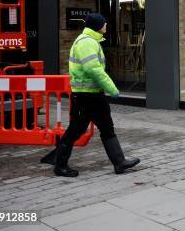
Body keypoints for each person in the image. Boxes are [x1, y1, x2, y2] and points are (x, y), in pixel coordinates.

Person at [53, 13, 140, 177]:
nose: (106, 25)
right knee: (76, 130)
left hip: (92, 95)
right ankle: (60, 165)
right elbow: (93, 69)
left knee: (106, 127)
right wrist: (112, 89)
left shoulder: (91, 41)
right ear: (97, 26)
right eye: (104, 23)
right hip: (86, 96)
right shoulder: (86, 43)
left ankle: (119, 162)